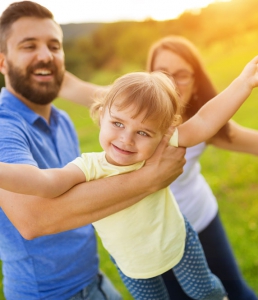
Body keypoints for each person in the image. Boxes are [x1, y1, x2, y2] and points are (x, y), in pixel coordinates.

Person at [0, 54, 258, 299]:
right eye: (118, 123)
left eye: (143, 132)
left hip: (177, 241)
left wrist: (244, 83)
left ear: (162, 132)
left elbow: (204, 121)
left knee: (204, 292)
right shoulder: (88, 167)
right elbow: (44, 183)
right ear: (101, 114)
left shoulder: (162, 146)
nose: (126, 139)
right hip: (132, 264)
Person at [58, 35, 258, 300]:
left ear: (196, 80)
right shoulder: (125, 103)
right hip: (141, 247)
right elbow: (70, 85)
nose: (171, 81)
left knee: (226, 291)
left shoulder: (184, 130)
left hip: (194, 222)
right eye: (163, 72)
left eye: (182, 74)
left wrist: (244, 83)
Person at [0, 3, 186, 300]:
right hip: (49, 294)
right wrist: (150, 179)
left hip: (91, 279)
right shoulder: (3, 125)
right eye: (28, 46)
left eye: (54, 45)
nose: (46, 55)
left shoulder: (61, 120)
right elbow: (33, 219)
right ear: (3, 62)